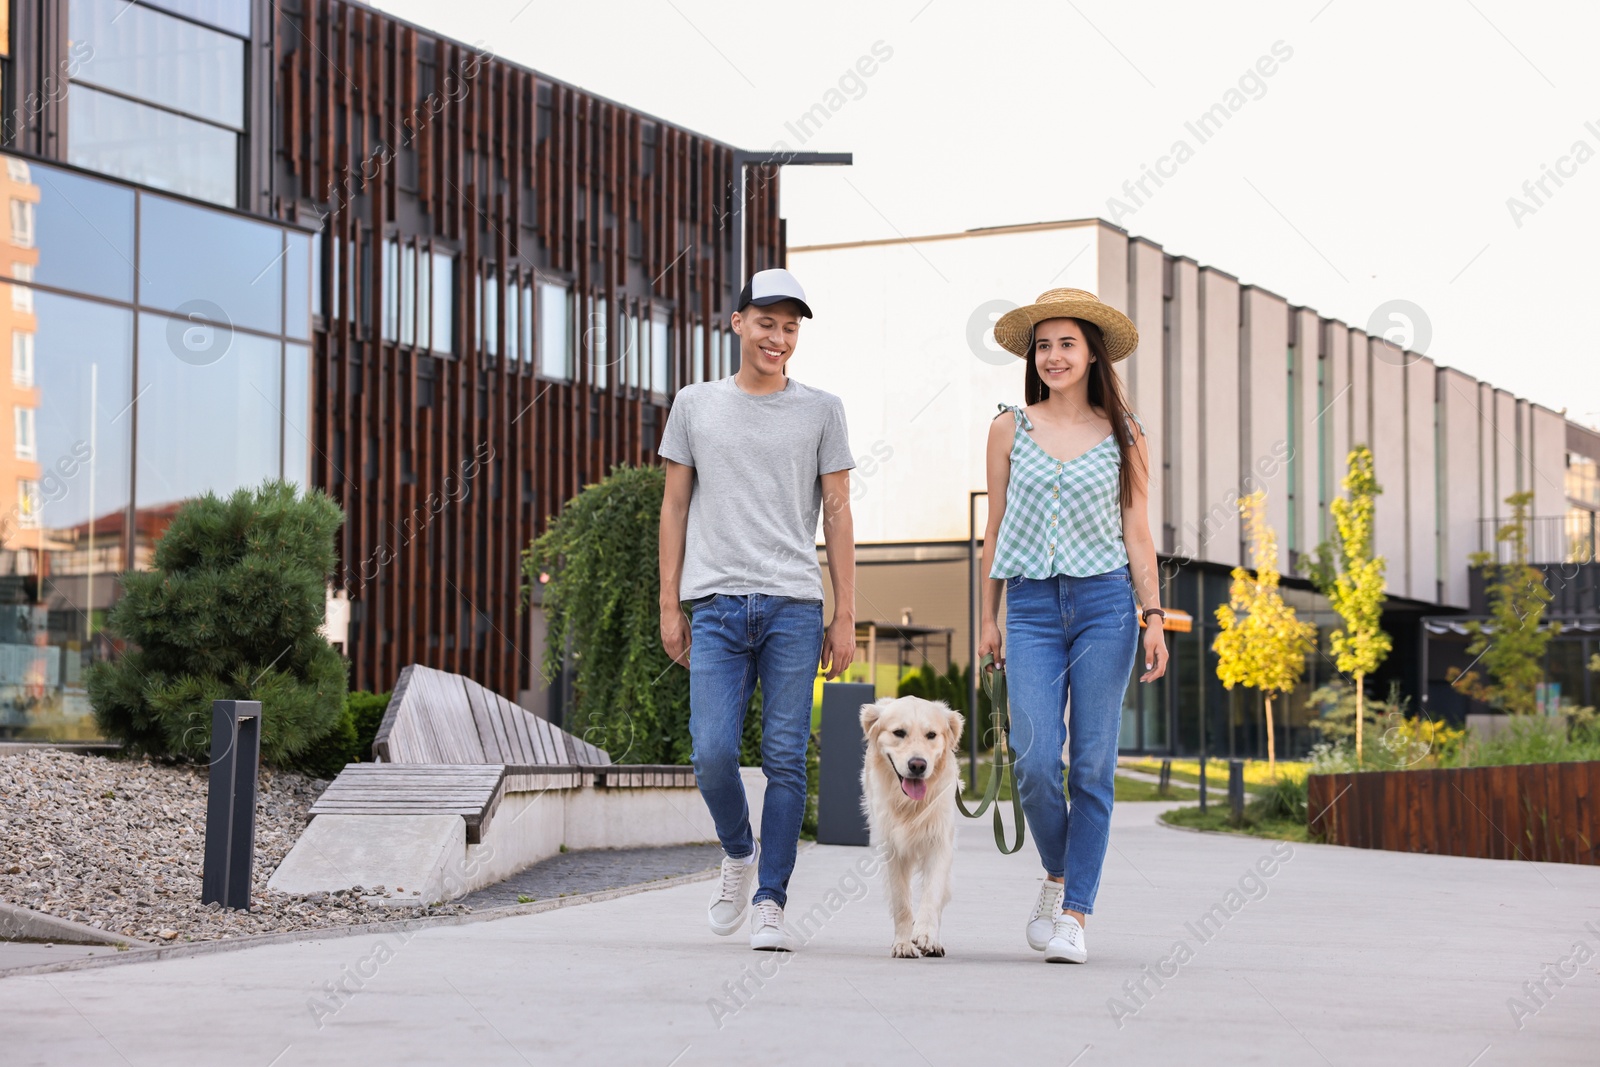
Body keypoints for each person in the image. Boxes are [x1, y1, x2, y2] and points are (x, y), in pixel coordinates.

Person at [658, 267, 858, 951]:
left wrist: (845, 612)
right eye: (767, 322)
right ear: (737, 321)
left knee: (784, 757)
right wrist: (670, 602)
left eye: (790, 326)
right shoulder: (694, 403)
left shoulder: (822, 409)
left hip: (793, 605)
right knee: (711, 750)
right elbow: (675, 505)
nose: (778, 336)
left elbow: (836, 511)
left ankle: (771, 897)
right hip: (713, 603)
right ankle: (737, 852)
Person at [977, 287, 1169, 964]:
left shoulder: (1127, 433)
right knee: (1033, 762)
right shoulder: (1008, 428)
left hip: (1105, 607)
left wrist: (1152, 615)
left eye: (1067, 343)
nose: (1053, 355)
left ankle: (1075, 913)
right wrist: (987, 618)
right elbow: (993, 527)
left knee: (1090, 764)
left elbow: (1138, 532)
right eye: (1043, 344)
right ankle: (1058, 875)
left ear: (1092, 353)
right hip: (1028, 607)